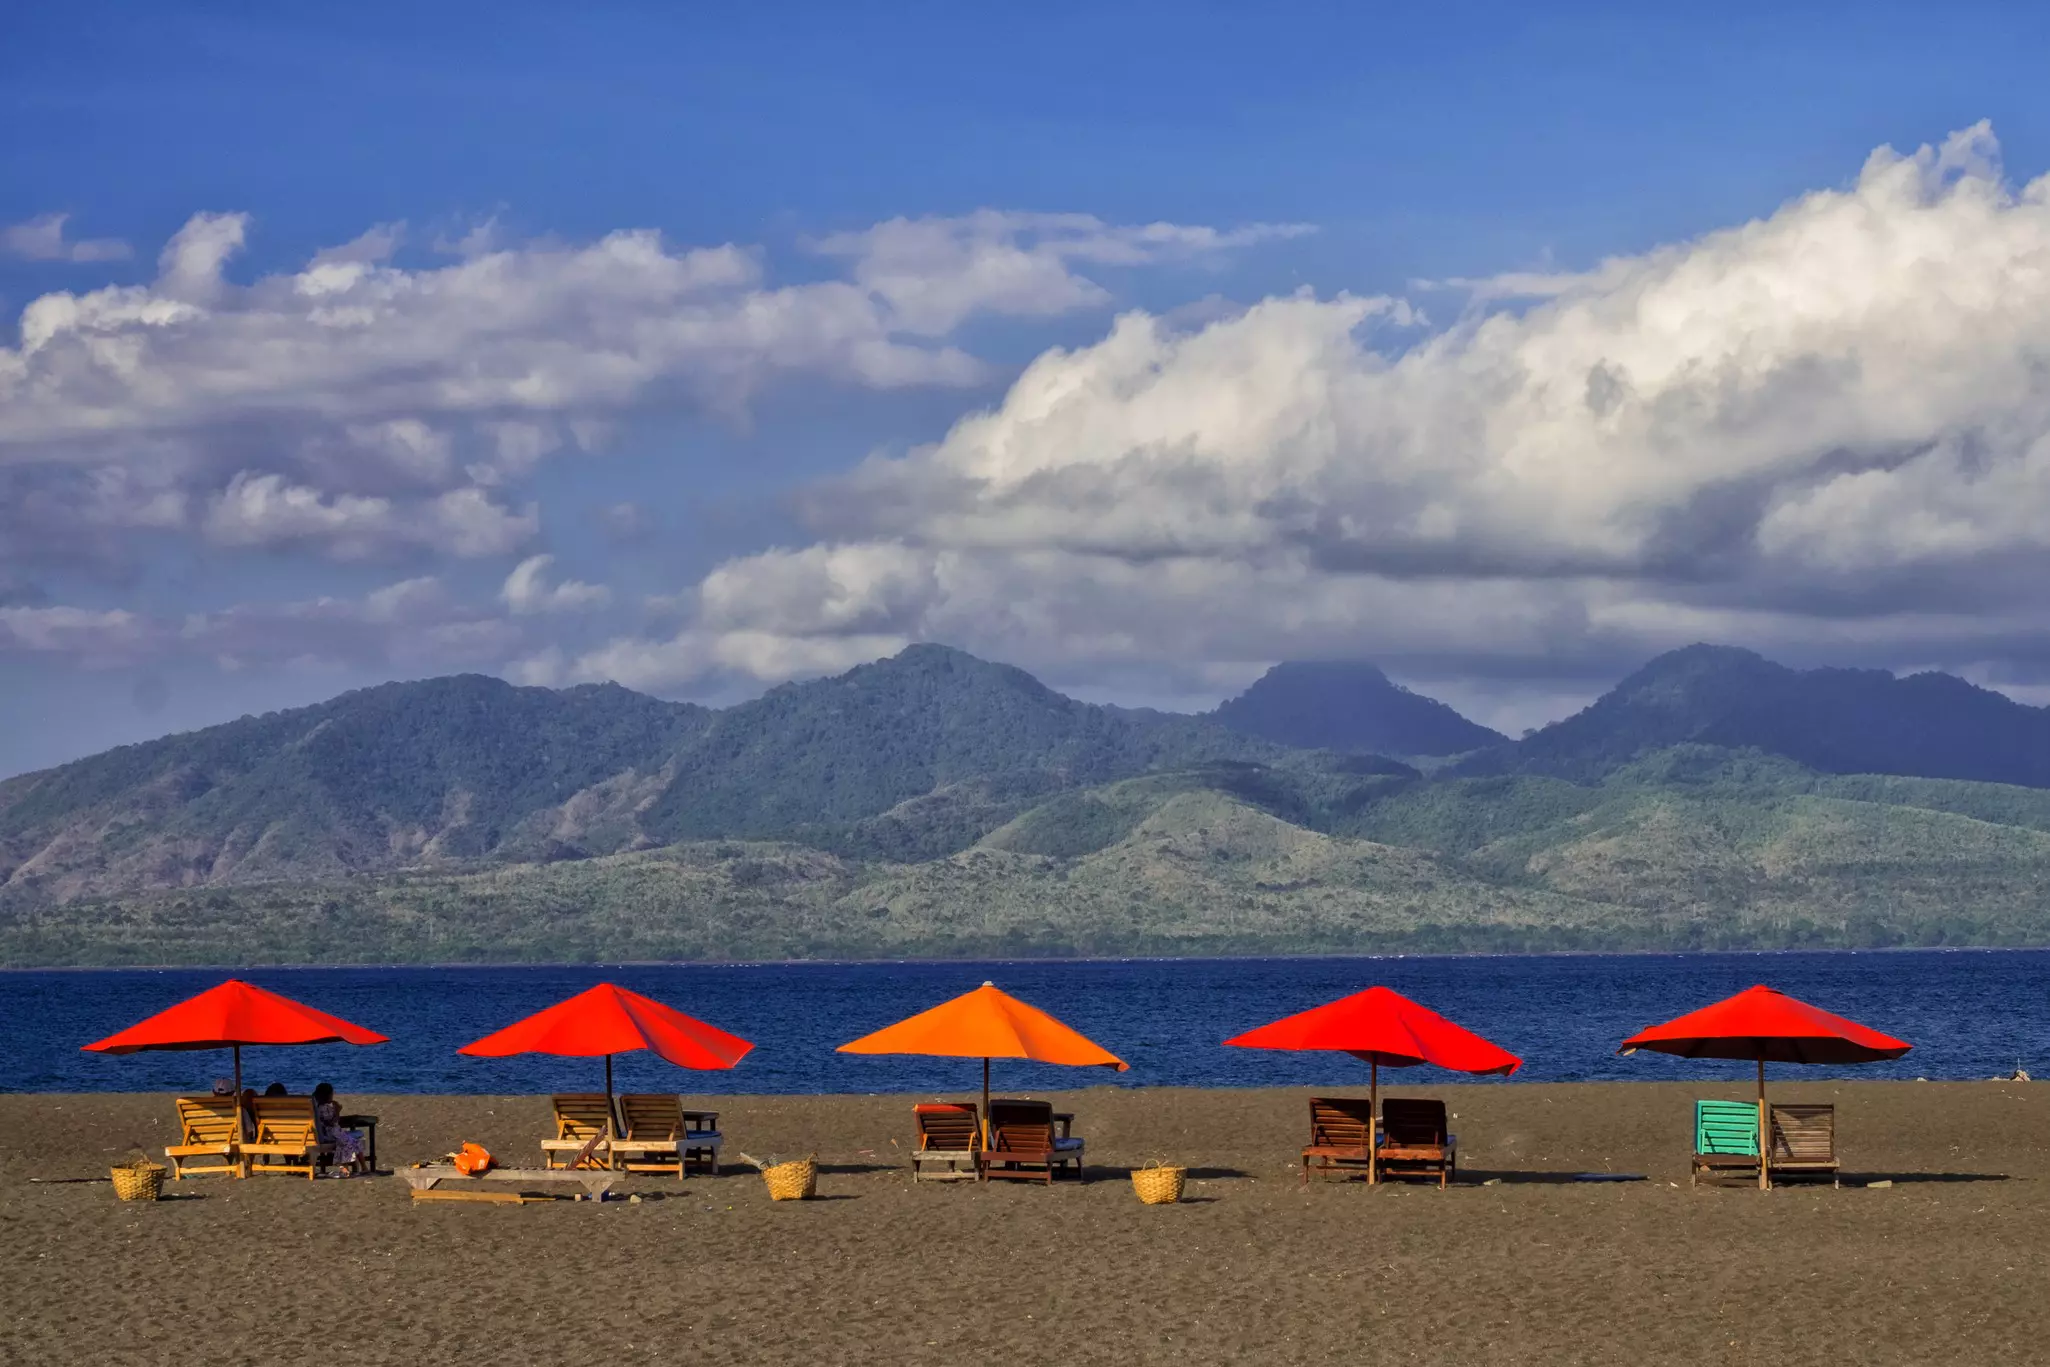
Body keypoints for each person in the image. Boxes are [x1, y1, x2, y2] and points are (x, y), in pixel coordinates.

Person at [312, 1082, 364, 1176]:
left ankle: (358, 1168)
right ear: (328, 1095)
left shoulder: (317, 1107)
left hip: (324, 1134)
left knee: (351, 1141)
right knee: (352, 1142)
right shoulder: (326, 1108)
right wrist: (337, 1111)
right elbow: (332, 1123)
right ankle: (356, 1167)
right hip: (331, 1135)